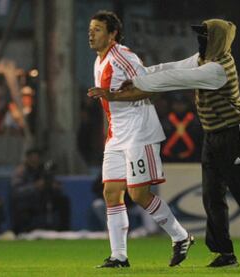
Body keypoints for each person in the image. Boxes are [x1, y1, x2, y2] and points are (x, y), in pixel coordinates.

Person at [89, 18, 240, 267]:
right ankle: (223, 254)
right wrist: (145, 74)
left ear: (217, 39)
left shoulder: (218, 67)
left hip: (231, 132)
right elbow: (172, 67)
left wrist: (127, 87)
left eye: (205, 36)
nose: (201, 40)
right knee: (211, 196)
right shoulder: (201, 58)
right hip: (210, 133)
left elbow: (176, 79)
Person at [87, 11, 194, 268]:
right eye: (90, 29)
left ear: (112, 34)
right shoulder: (98, 61)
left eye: (98, 29)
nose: (91, 33)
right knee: (111, 193)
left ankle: (181, 237)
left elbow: (152, 88)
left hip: (139, 132)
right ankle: (119, 256)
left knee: (138, 194)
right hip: (116, 137)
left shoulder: (123, 56)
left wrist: (111, 96)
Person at [11, 148, 71, 234]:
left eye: (37, 157)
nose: (35, 160)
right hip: (27, 201)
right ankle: (22, 233)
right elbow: (17, 192)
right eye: (32, 158)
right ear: (27, 158)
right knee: (22, 208)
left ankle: (64, 231)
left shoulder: (43, 169)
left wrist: (54, 186)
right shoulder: (21, 171)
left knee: (63, 201)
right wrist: (35, 186)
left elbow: (54, 184)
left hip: (42, 200)